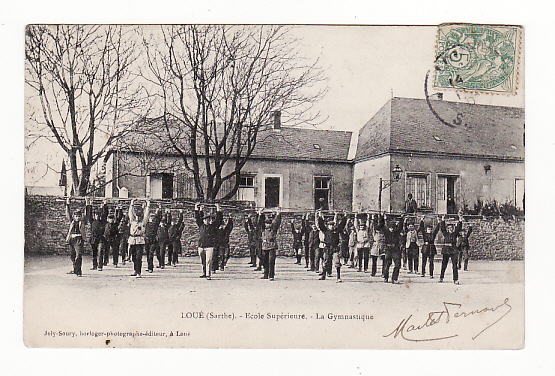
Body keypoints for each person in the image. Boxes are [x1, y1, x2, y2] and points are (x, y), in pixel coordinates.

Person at [315, 210, 348, 282]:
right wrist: (320, 215)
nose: (331, 226)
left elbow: (342, 225)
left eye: (332, 225)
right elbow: (321, 225)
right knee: (326, 262)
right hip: (327, 248)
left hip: (335, 248)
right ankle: (323, 275)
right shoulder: (325, 230)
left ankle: (338, 277)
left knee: (337, 262)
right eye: (330, 225)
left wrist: (345, 216)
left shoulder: (337, 230)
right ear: (328, 226)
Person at [194, 203, 223, 280]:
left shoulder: (213, 226)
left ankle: (208, 275)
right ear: (203, 220)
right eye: (205, 219)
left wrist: (218, 209)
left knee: (208, 261)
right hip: (201, 246)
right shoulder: (201, 226)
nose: (206, 221)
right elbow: (197, 218)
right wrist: (196, 208)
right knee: (203, 261)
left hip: (210, 246)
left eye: (208, 220)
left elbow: (218, 219)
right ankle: (204, 273)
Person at [128, 199, 151, 278]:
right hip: (132, 240)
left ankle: (139, 272)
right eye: (136, 216)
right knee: (133, 256)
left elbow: (146, 214)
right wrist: (132, 204)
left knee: (138, 257)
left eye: (139, 216)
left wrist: (148, 204)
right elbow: (130, 213)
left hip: (139, 241)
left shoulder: (143, 222)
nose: (137, 218)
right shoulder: (132, 221)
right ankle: (135, 270)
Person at [380, 213, 405, 284]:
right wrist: (382, 216)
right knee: (387, 264)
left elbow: (400, 226)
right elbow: (382, 225)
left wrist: (401, 218)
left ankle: (394, 278)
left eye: (393, 228)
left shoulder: (396, 232)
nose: (391, 229)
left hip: (396, 250)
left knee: (397, 264)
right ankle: (385, 277)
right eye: (390, 228)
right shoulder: (386, 232)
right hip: (388, 249)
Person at [65, 197, 87, 277]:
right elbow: (68, 214)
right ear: (74, 216)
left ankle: (78, 271)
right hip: (72, 239)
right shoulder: (72, 222)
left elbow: (86, 214)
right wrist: (67, 203)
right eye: (76, 216)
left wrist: (87, 203)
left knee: (78, 255)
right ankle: (75, 269)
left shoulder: (82, 222)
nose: (77, 217)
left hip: (79, 240)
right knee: (72, 255)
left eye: (78, 216)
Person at [439, 213, 463, 284]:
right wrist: (442, 220)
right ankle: (441, 277)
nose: (450, 229)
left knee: (454, 265)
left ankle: (455, 279)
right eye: (449, 228)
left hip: (453, 250)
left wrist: (460, 220)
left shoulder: (455, 234)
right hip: (446, 250)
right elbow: (442, 228)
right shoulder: (445, 234)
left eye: (451, 228)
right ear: (447, 229)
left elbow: (458, 228)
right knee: (444, 265)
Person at [260, 208, 282, 281]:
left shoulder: (273, 229)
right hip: (264, 247)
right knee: (264, 262)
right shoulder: (263, 230)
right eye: (266, 223)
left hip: (272, 247)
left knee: (271, 261)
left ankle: (271, 275)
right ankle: (265, 274)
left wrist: (278, 214)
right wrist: (260, 213)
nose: (268, 225)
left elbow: (276, 223)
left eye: (269, 223)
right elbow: (260, 222)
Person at [86, 199, 107, 271]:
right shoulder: (92, 221)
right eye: (96, 215)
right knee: (94, 252)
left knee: (100, 251)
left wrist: (104, 205)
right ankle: (94, 265)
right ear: (94, 216)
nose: (97, 216)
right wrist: (89, 205)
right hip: (94, 238)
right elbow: (88, 214)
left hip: (101, 238)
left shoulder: (103, 221)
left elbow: (105, 213)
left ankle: (100, 266)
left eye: (98, 215)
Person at [144, 204, 162, 273]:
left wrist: (159, 210)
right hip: (147, 240)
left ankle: (151, 268)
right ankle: (149, 267)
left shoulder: (155, 223)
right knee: (148, 254)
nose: (151, 218)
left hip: (153, 240)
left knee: (151, 254)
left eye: (152, 217)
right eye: (150, 217)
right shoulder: (146, 224)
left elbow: (159, 217)